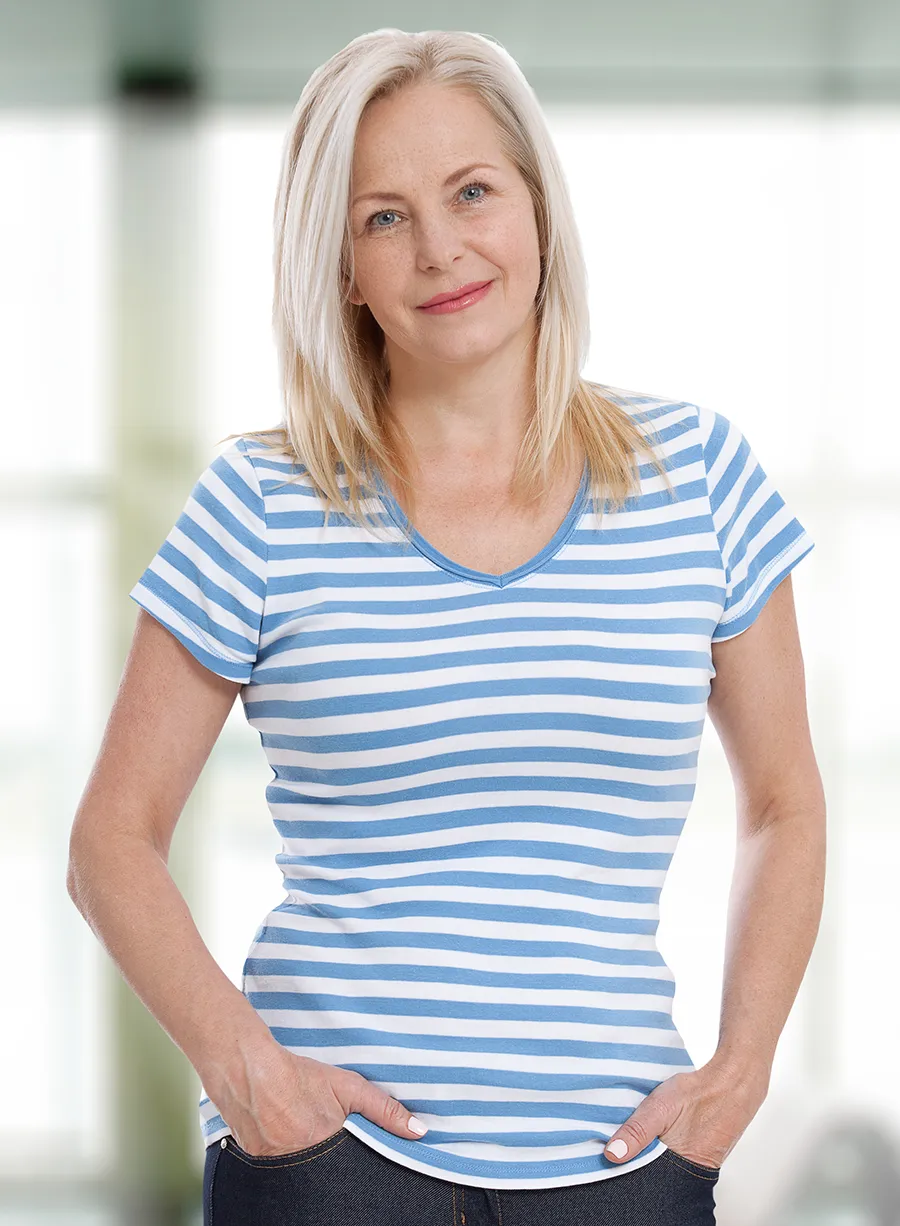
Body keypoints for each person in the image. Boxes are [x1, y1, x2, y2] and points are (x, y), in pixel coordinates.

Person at [67, 27, 826, 1226]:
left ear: (539, 211)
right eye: (384, 217)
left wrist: (741, 1069)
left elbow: (783, 804)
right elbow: (111, 838)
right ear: (342, 268)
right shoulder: (260, 501)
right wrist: (246, 1071)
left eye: (473, 192)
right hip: (327, 1169)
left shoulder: (700, 477)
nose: (440, 249)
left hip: (625, 1166)